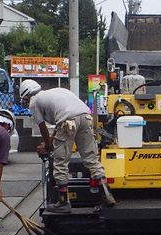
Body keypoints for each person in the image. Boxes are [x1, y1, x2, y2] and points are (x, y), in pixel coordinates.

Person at [19, 79, 115, 213]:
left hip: (67, 122)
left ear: (27, 95)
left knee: (60, 162)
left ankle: (63, 202)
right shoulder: (57, 91)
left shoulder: (34, 102)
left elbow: (43, 127)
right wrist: (51, 142)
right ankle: (107, 194)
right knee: (91, 158)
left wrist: (47, 146)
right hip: (85, 117)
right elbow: (60, 124)